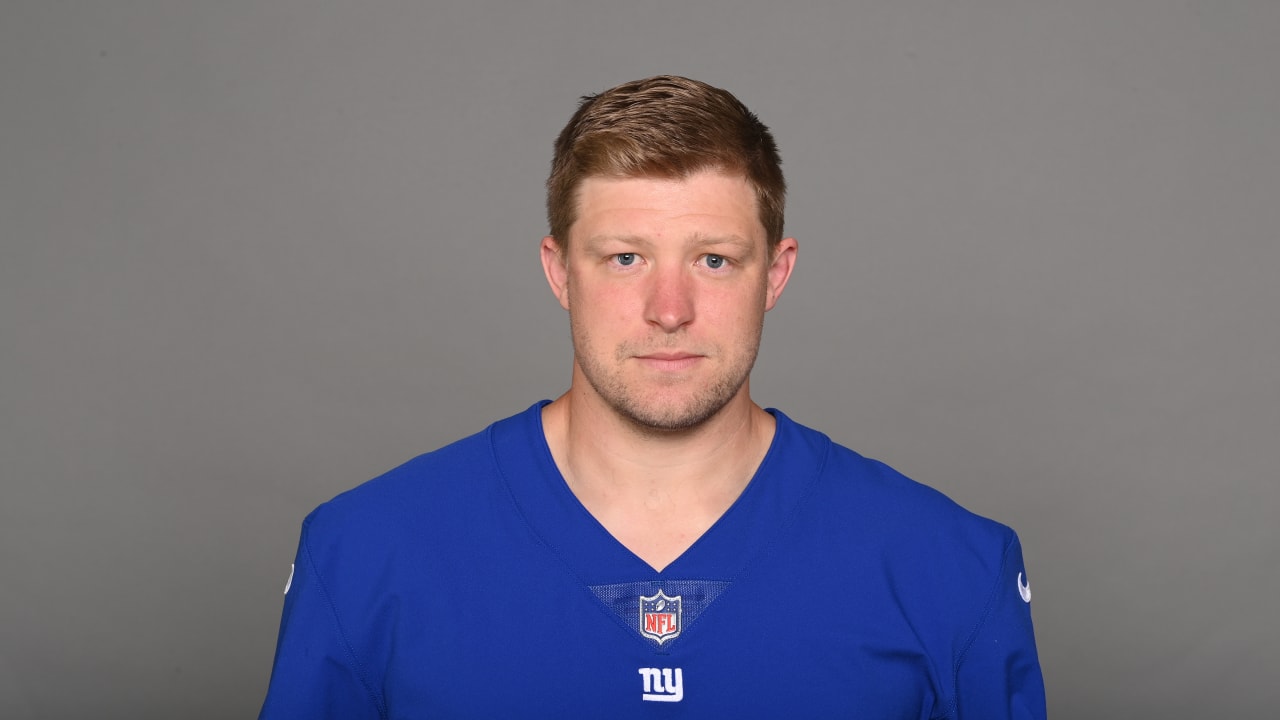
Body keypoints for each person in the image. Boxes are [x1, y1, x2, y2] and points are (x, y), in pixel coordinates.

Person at [259, 75, 1046, 718]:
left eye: (713, 260)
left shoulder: (952, 569)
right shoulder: (364, 553)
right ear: (560, 271)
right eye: (626, 257)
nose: (669, 310)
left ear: (775, 274)